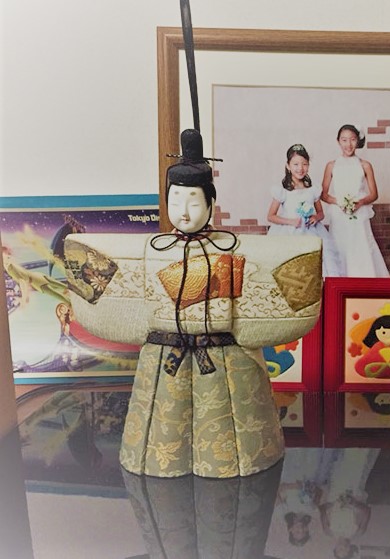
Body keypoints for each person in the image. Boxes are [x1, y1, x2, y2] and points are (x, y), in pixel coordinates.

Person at [63, 129, 323, 478]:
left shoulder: (236, 249)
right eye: (176, 202)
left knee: (232, 446)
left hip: (227, 355)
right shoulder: (151, 250)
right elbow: (103, 276)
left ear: (212, 204)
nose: (184, 213)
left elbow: (287, 275)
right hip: (164, 355)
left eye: (194, 203)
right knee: (162, 444)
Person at [321, 124, 390, 277]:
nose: (348, 144)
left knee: (360, 245)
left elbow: (374, 194)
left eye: (352, 139)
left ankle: (364, 280)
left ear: (358, 140)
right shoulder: (332, 165)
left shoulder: (365, 165)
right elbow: (324, 195)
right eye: (344, 140)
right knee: (341, 246)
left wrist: (359, 203)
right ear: (338, 141)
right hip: (339, 214)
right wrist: (340, 203)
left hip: (359, 214)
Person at [267, 143, 343, 277]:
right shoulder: (283, 190)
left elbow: (321, 213)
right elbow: (271, 216)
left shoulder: (312, 189)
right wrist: (291, 222)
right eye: (296, 164)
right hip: (289, 233)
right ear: (288, 166)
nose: (300, 168)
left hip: (311, 231)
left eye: (304, 164)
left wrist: (315, 217)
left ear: (308, 165)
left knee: (315, 265)